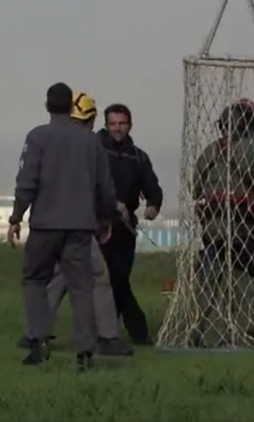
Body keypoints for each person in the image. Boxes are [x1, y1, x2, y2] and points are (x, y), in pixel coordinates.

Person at [7, 82, 118, 370]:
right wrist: (106, 218)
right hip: (80, 227)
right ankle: (85, 353)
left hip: (45, 225)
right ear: (71, 107)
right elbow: (104, 186)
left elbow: (26, 181)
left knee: (34, 280)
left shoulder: (37, 137)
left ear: (47, 106)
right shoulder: (90, 141)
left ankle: (38, 341)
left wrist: (16, 217)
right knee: (82, 287)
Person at [191, 99, 254, 346]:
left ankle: (199, 330)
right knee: (249, 282)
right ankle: (249, 332)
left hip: (213, 229)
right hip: (249, 228)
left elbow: (196, 187)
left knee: (210, 282)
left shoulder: (212, 151)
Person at [96, 103, 163, 345]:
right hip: (98, 224)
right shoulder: (94, 150)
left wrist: (154, 204)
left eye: (122, 123)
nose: (117, 128)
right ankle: (135, 332)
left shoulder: (138, 157)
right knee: (110, 280)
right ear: (106, 125)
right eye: (113, 124)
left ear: (130, 125)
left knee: (119, 280)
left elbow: (152, 187)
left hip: (125, 228)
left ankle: (108, 333)